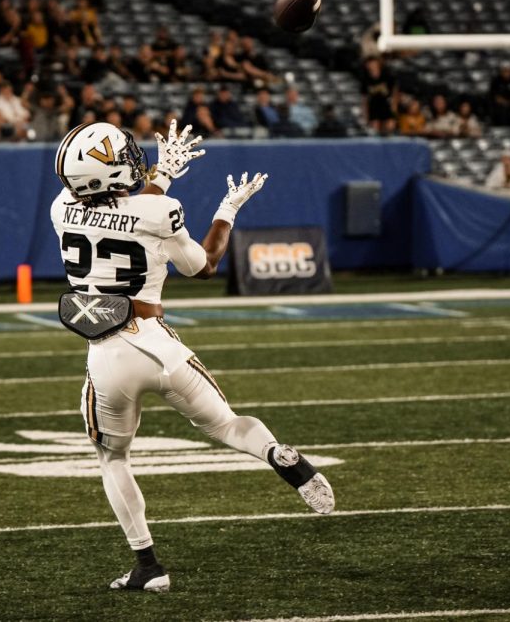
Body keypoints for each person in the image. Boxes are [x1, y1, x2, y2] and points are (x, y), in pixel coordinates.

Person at [49, 120, 335, 593]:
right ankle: (276, 454)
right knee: (228, 425)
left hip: (107, 356)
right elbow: (204, 266)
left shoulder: (61, 208)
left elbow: (122, 209)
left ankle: (148, 565)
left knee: (113, 458)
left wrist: (162, 175)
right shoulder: (163, 212)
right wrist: (226, 210)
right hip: (160, 345)